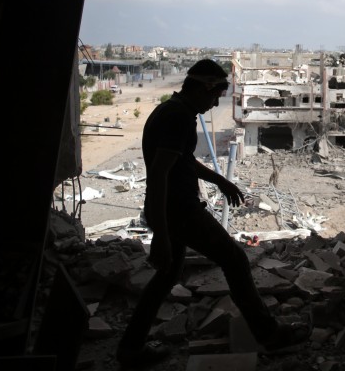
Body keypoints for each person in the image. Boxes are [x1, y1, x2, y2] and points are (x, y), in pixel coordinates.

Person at [116, 59, 310, 368]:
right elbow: (159, 175)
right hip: (179, 211)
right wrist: (162, 234)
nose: (215, 102)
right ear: (204, 88)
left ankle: (129, 348)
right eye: (215, 95)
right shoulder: (178, 117)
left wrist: (220, 180)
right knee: (234, 259)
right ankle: (269, 335)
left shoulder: (173, 111)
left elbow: (181, 161)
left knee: (166, 277)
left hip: (172, 209)